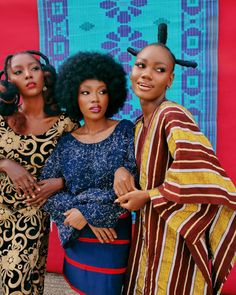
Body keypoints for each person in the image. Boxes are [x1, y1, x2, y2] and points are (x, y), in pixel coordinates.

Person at [115, 24, 236, 295]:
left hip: (176, 239)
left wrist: (148, 196)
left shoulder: (173, 115)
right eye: (140, 65)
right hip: (147, 236)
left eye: (159, 70)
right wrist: (121, 170)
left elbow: (200, 172)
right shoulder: (137, 124)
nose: (146, 75)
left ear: (170, 79)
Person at [40, 51, 137, 295]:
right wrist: (82, 214)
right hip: (78, 236)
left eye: (102, 91)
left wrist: (87, 211)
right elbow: (47, 194)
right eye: (86, 92)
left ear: (111, 94)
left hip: (111, 238)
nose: (95, 99)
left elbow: (133, 189)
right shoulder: (66, 143)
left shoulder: (125, 131)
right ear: (74, 96)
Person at [0, 50, 76, 295]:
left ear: (45, 74)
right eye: (18, 72)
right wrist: (6, 164)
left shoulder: (66, 122)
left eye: (33, 68)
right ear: (9, 80)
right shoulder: (2, 118)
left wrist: (60, 182)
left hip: (28, 220)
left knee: (19, 286)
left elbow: (87, 164)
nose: (28, 75)